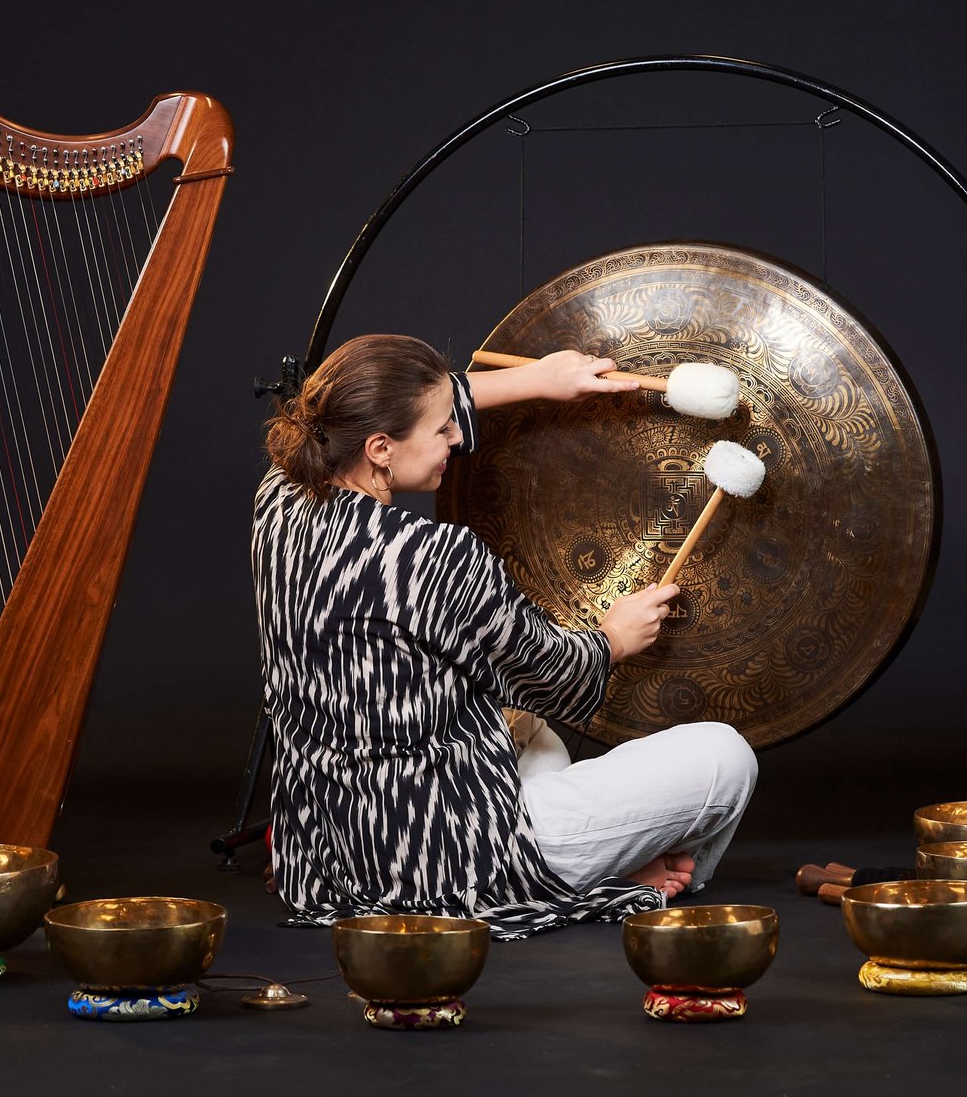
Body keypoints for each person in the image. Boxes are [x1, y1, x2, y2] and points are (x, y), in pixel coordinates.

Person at [252, 333, 756, 940]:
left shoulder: (279, 497)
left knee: (526, 730)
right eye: (442, 429)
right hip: (444, 858)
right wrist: (614, 637)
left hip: (326, 841)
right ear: (380, 447)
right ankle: (591, 869)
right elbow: (556, 673)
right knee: (724, 756)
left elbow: (393, 401)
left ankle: (605, 854)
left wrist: (537, 379)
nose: (457, 437)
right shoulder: (432, 557)